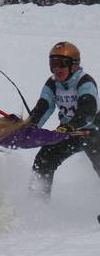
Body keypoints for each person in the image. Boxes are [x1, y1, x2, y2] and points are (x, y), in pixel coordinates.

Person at [28, 41, 100, 199]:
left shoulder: (85, 82)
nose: (57, 69)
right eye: (53, 64)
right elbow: (43, 107)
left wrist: (71, 126)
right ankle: (37, 205)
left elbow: (88, 110)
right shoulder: (53, 84)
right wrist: (29, 126)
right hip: (69, 132)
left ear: (74, 65)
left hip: (94, 131)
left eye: (61, 64)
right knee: (44, 158)